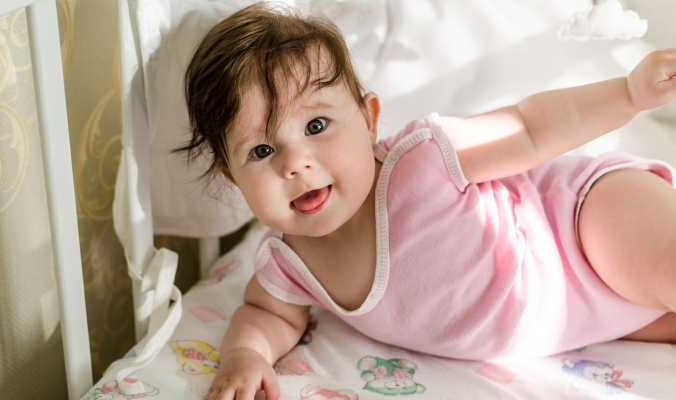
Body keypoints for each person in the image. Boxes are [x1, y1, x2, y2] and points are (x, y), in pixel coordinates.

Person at [180, 3, 676, 399]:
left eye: (316, 126)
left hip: (578, 221)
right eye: (262, 151)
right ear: (232, 175)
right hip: (572, 314)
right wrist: (245, 357)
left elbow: (530, 126)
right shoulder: (289, 263)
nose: (295, 163)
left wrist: (628, 93)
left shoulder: (421, 161)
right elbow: (267, 317)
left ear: (369, 118)